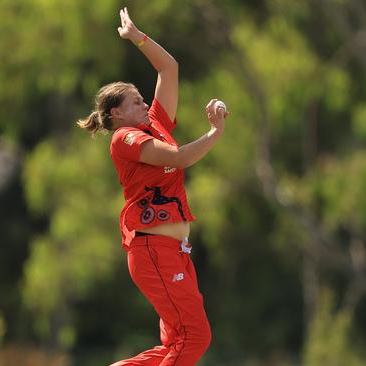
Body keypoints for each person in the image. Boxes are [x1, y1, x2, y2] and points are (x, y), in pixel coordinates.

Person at [77, 7, 228, 366]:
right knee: (196, 336)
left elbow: (169, 68)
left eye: (143, 99)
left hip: (174, 251)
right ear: (117, 114)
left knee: (178, 342)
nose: (146, 104)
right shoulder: (124, 137)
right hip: (153, 250)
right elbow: (177, 158)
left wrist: (137, 37)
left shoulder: (153, 123)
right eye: (136, 101)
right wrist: (215, 133)